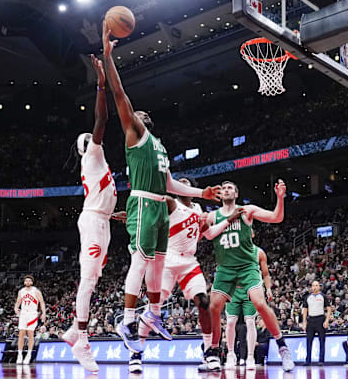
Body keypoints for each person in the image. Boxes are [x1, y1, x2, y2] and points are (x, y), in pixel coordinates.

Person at [101, 22, 222, 371]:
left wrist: (202, 192)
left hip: (158, 209)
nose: (135, 116)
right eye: (133, 116)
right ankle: (126, 320)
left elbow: (170, 184)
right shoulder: (134, 135)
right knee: (141, 263)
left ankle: (152, 315)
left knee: (153, 266)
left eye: (139, 116)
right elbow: (120, 96)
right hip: (143, 202)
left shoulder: (160, 147)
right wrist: (110, 59)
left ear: (147, 122)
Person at [137, 178, 229, 372]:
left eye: (185, 183)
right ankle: (136, 353)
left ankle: (209, 351)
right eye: (179, 184)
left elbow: (209, 234)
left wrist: (227, 221)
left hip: (188, 261)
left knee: (204, 302)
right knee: (154, 307)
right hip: (168, 259)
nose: (182, 186)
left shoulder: (197, 209)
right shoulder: (171, 203)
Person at [61, 55, 117, 374]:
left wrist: (117, 213)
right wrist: (100, 83)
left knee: (93, 278)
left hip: (102, 219)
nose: (97, 137)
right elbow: (102, 119)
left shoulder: (100, 165)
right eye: (93, 137)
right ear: (89, 145)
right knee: (87, 278)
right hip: (94, 220)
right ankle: (81, 338)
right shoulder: (93, 155)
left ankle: (74, 329)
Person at [204, 180, 295, 372]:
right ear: (219, 194)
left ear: (236, 194)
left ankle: (282, 347)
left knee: (260, 304)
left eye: (231, 187)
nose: (227, 189)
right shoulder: (212, 216)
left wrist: (280, 198)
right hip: (225, 269)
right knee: (213, 308)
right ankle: (214, 352)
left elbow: (276, 217)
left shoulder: (247, 211)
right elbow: (202, 235)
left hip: (246, 267)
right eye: (224, 188)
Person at [224, 246, 272, 370]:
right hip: (234, 290)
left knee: (250, 322)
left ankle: (250, 357)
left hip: (250, 290)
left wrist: (268, 289)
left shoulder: (259, 252)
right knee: (230, 322)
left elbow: (265, 273)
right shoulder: (230, 250)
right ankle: (231, 354)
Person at [14, 275, 46, 364]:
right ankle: (19, 355)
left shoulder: (36, 291)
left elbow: (42, 303)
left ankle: (29, 355)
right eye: (26, 281)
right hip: (23, 313)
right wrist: (16, 308)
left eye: (29, 281)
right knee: (21, 334)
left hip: (32, 313)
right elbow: (17, 302)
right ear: (24, 282)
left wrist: (44, 313)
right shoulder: (21, 291)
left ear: (32, 282)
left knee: (30, 334)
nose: (28, 282)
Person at [303, 281, 331, 366]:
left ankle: (321, 360)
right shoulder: (308, 297)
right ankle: (308, 361)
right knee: (309, 341)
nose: (314, 287)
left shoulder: (323, 296)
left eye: (316, 285)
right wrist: (304, 321)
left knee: (322, 341)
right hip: (311, 320)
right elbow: (305, 310)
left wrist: (327, 320)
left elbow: (329, 309)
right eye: (313, 285)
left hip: (320, 319)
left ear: (319, 287)